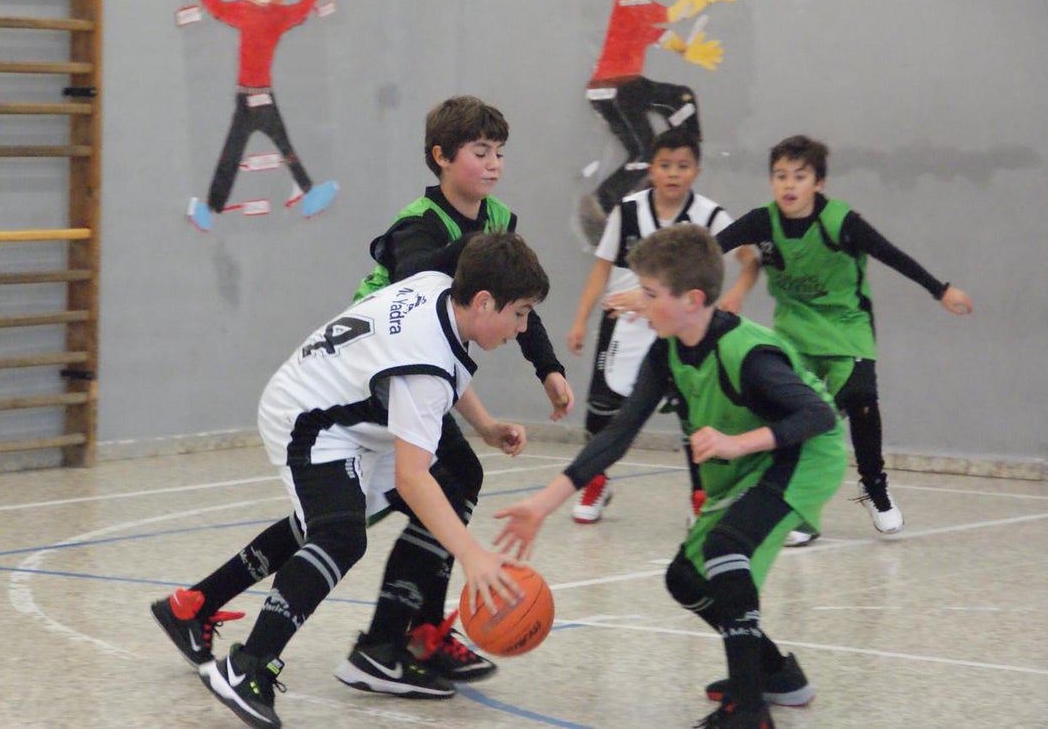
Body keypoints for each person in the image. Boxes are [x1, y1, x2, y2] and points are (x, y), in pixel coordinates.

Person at [151, 232, 550, 729]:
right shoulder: (424, 367)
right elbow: (411, 475)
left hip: (347, 406)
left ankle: (194, 606)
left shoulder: (439, 288)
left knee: (405, 496)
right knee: (339, 535)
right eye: (521, 313)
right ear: (486, 302)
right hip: (310, 417)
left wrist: (485, 424)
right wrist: (473, 555)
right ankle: (248, 666)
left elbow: (446, 365)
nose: (524, 326)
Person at [495, 224, 848, 729]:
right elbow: (617, 435)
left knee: (727, 551)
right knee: (685, 578)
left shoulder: (749, 354)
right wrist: (541, 504)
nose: (640, 302)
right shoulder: (668, 349)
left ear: (693, 299)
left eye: (650, 293)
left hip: (803, 457)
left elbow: (818, 417)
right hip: (753, 460)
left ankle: (749, 712)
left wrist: (734, 444)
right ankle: (777, 674)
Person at [336, 95, 575, 697]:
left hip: (429, 370)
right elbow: (419, 285)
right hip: (376, 369)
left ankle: (416, 634)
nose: (494, 164)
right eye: (479, 152)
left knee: (457, 480)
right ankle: (382, 645)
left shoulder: (498, 218)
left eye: (500, 153)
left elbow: (518, 292)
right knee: (433, 484)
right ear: (442, 157)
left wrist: (546, 367)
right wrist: (480, 252)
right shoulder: (416, 224)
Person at [715, 135, 973, 546]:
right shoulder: (761, 221)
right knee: (798, 419)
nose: (789, 185)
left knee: (860, 399)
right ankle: (800, 510)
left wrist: (939, 290)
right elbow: (711, 250)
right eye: (780, 176)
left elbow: (891, 254)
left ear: (818, 183)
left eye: (799, 176)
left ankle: (873, 484)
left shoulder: (841, 222)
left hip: (846, 326)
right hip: (794, 332)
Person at [566, 127, 758, 525]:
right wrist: (581, 319)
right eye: (665, 165)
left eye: (683, 166)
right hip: (624, 321)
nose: (673, 173)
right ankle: (596, 480)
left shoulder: (709, 216)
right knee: (602, 410)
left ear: (696, 171)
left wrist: (737, 291)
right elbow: (602, 268)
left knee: (694, 414)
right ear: (650, 168)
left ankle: (701, 493)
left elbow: (750, 258)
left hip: (683, 329)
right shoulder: (628, 211)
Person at [581, 0, 739, 228]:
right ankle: (678, 161)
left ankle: (611, 202)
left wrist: (686, 51)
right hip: (620, 86)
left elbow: (660, 34)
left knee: (642, 153)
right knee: (678, 102)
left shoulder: (631, 11)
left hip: (607, 90)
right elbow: (672, 14)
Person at [185, 0, 340, 230]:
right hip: (247, 99)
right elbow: (218, 8)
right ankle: (211, 207)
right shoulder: (242, 10)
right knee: (232, 155)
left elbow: (298, 11)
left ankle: (309, 192)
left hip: (263, 98)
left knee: (284, 147)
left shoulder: (278, 15)